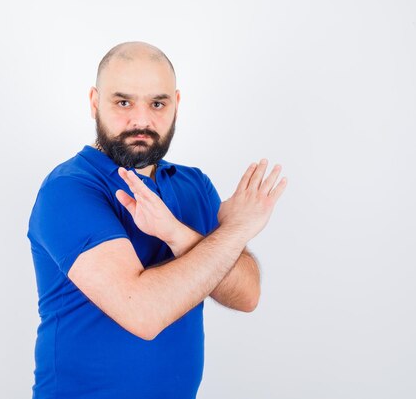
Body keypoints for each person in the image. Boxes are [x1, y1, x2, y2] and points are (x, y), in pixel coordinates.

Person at [27, 41, 287, 399]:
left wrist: (179, 235)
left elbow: (246, 295)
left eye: (157, 103)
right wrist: (236, 230)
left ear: (176, 105)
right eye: (123, 102)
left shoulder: (194, 184)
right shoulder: (69, 190)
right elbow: (143, 313)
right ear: (93, 103)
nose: (141, 120)